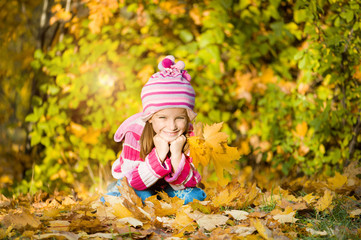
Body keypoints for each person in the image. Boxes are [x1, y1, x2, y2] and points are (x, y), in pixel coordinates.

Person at [102, 55, 206, 204]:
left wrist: (176, 155)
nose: (172, 126)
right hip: (136, 184)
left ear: (188, 117)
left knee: (194, 197)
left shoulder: (189, 135)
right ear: (150, 117)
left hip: (168, 187)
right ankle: (115, 190)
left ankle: (158, 201)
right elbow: (136, 182)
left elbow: (190, 182)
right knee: (142, 199)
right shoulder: (135, 133)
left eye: (180, 118)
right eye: (163, 118)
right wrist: (159, 155)